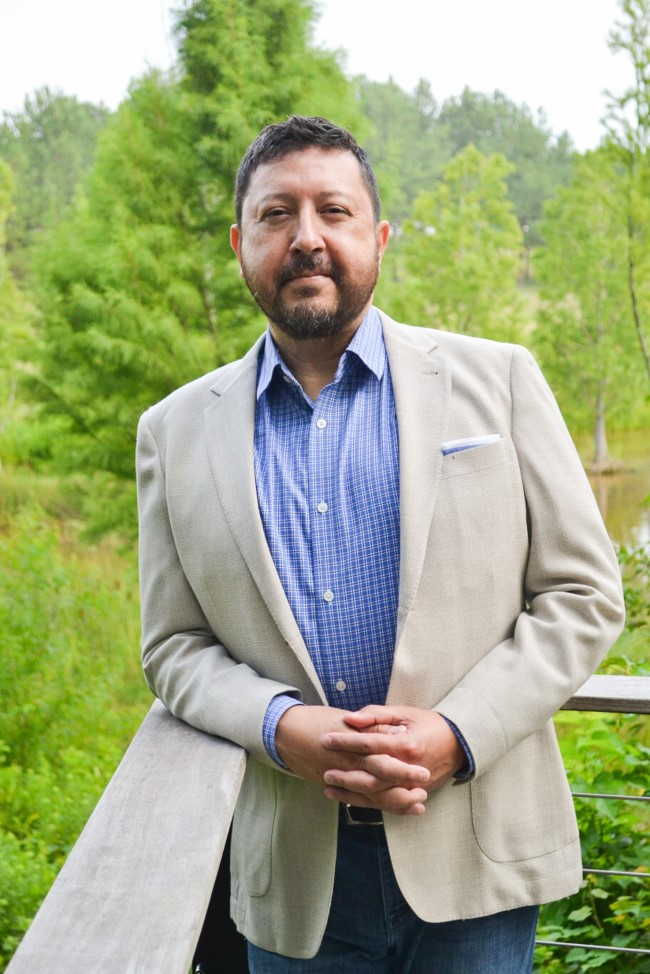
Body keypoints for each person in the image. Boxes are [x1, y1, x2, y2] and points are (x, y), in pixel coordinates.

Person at [136, 116, 625, 973]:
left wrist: (455, 733)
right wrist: (280, 726)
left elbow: (584, 597)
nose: (307, 238)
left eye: (335, 211)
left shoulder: (499, 380)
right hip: (295, 879)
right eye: (276, 215)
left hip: (474, 858)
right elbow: (174, 648)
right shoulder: (172, 432)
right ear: (239, 242)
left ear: (380, 236)